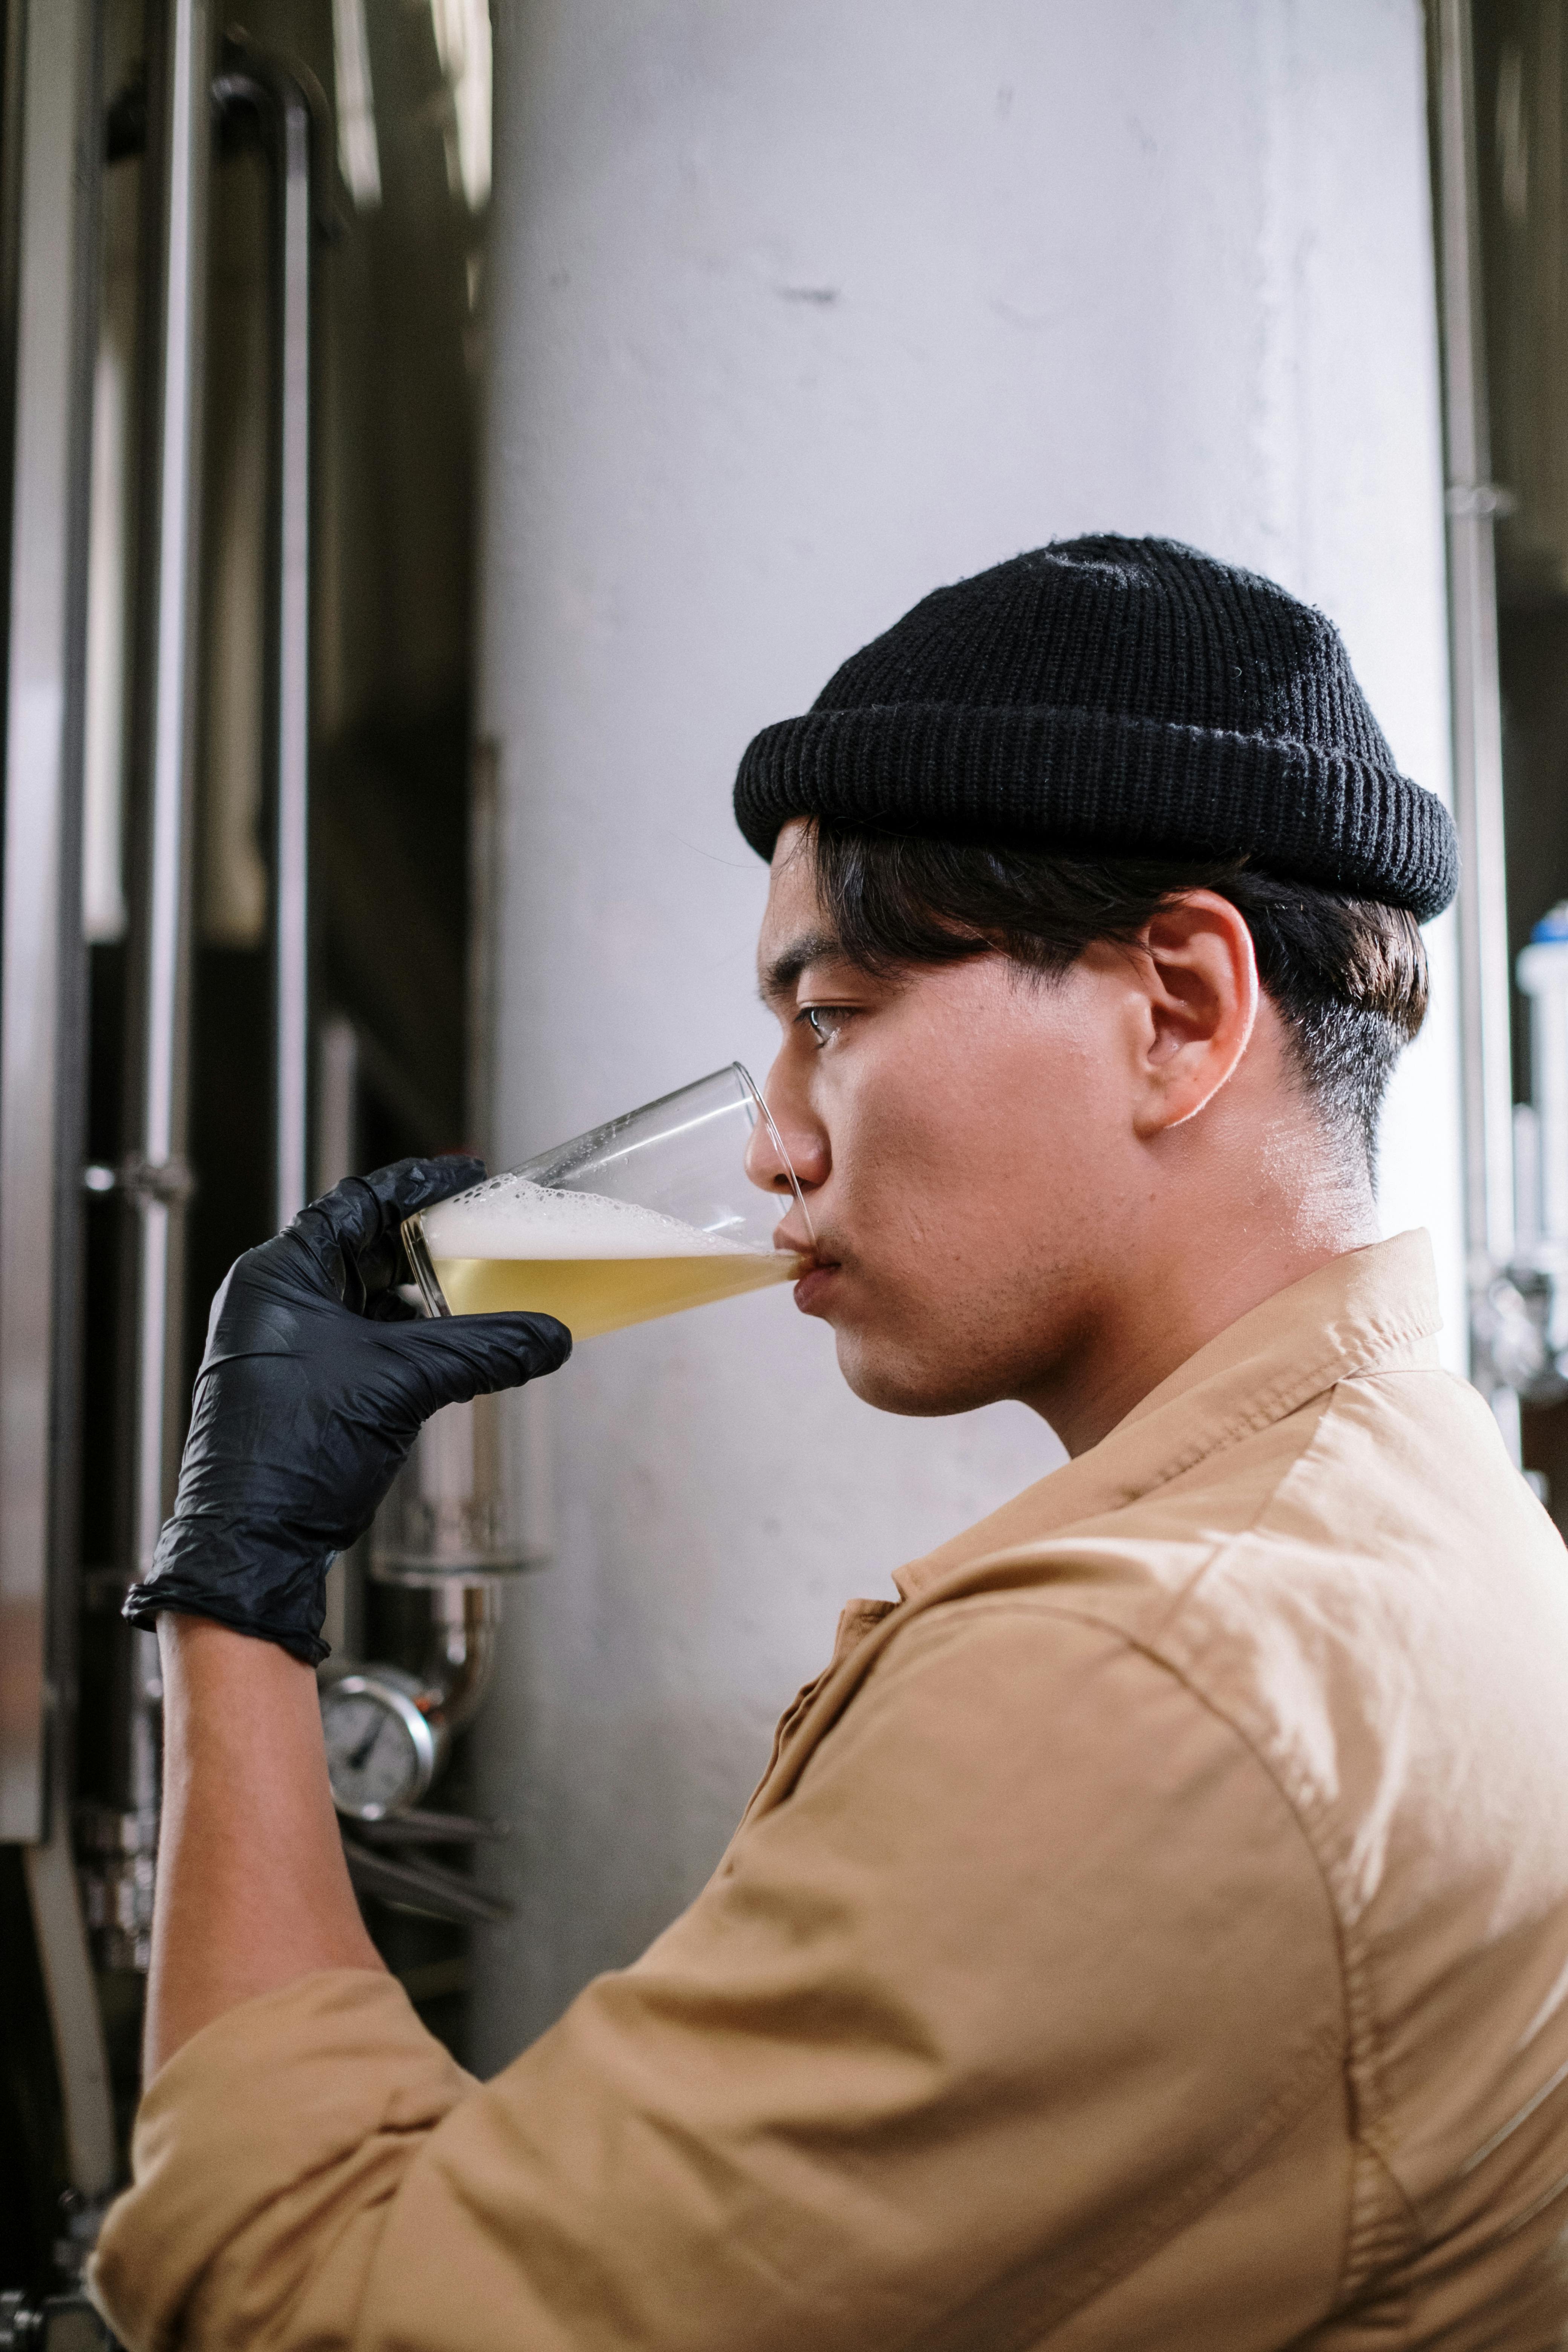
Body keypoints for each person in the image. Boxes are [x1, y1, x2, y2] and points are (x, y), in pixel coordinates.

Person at [93, 539, 1568, 2350]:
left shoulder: (1138, 1676)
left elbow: (322, 2309)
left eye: (830, 1017)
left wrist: (232, 1595)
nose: (769, 1147)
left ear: (1178, 1010)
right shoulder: (1431, 1516)